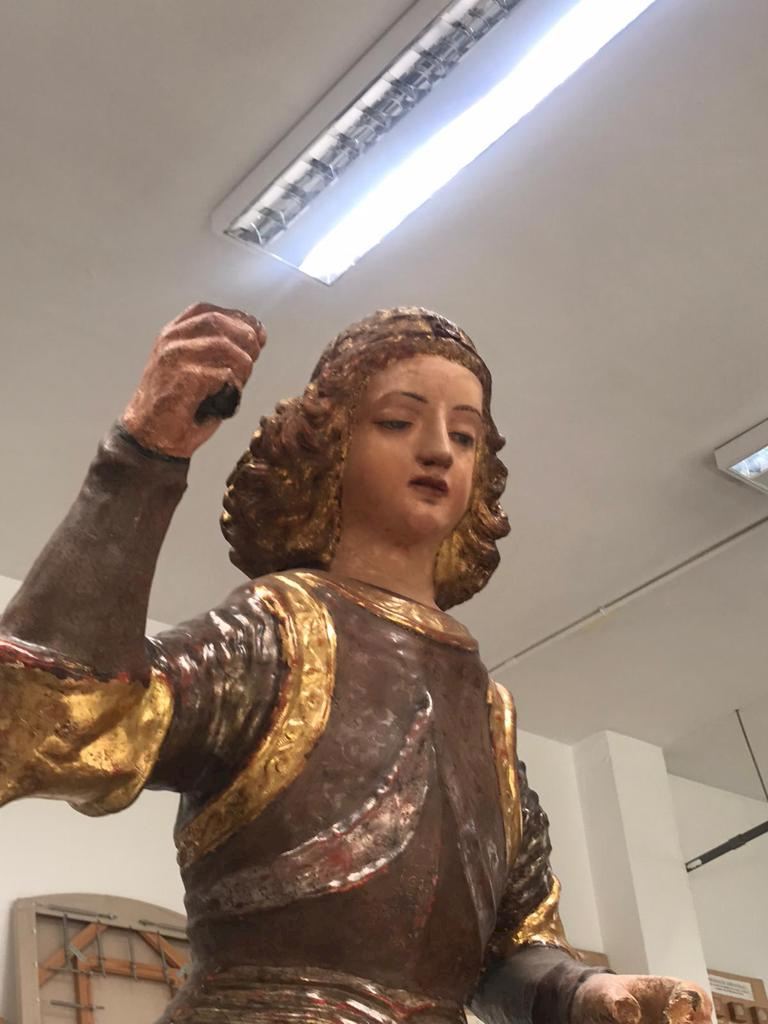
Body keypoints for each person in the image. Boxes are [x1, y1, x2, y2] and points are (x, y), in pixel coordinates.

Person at [0, 304, 711, 1024]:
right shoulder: (279, 632)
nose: (438, 450)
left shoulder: (487, 710)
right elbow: (64, 714)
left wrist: (585, 993)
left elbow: (511, 944)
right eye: (398, 422)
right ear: (329, 445)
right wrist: (142, 454)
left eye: (464, 435)